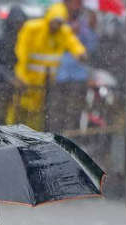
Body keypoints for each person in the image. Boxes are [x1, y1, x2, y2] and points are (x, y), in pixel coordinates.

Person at [8, 2, 86, 130]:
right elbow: (22, 54)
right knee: (18, 111)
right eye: (55, 21)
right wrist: (20, 76)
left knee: (37, 115)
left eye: (60, 23)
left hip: (45, 83)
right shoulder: (33, 28)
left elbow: (73, 43)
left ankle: (32, 141)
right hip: (27, 81)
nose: (57, 26)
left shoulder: (63, 31)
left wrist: (80, 53)